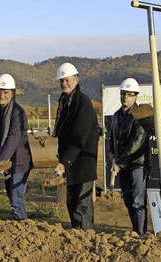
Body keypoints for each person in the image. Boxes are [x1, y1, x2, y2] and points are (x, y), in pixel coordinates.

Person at [53, 62, 100, 230]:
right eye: (62, 81)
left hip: (82, 161)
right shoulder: (65, 102)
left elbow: (79, 137)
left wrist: (64, 162)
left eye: (67, 80)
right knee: (72, 203)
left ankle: (86, 237)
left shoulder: (83, 104)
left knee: (82, 204)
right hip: (71, 161)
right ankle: (77, 234)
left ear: (76, 80)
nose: (64, 84)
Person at [108, 78, 150, 234]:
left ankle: (141, 235)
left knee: (138, 202)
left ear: (136, 96)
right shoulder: (116, 115)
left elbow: (136, 143)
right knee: (128, 200)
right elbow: (112, 139)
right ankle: (135, 230)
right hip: (122, 164)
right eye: (123, 94)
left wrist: (119, 163)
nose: (126, 97)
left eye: (130, 94)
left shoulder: (140, 115)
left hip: (138, 164)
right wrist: (113, 157)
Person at [0, 74, 33, 220]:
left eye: (5, 92)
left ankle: (23, 228)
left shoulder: (18, 112)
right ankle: (20, 225)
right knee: (12, 197)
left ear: (12, 93)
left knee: (16, 199)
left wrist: (1, 161)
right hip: (8, 161)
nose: (1, 95)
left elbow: (14, 137)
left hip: (19, 162)